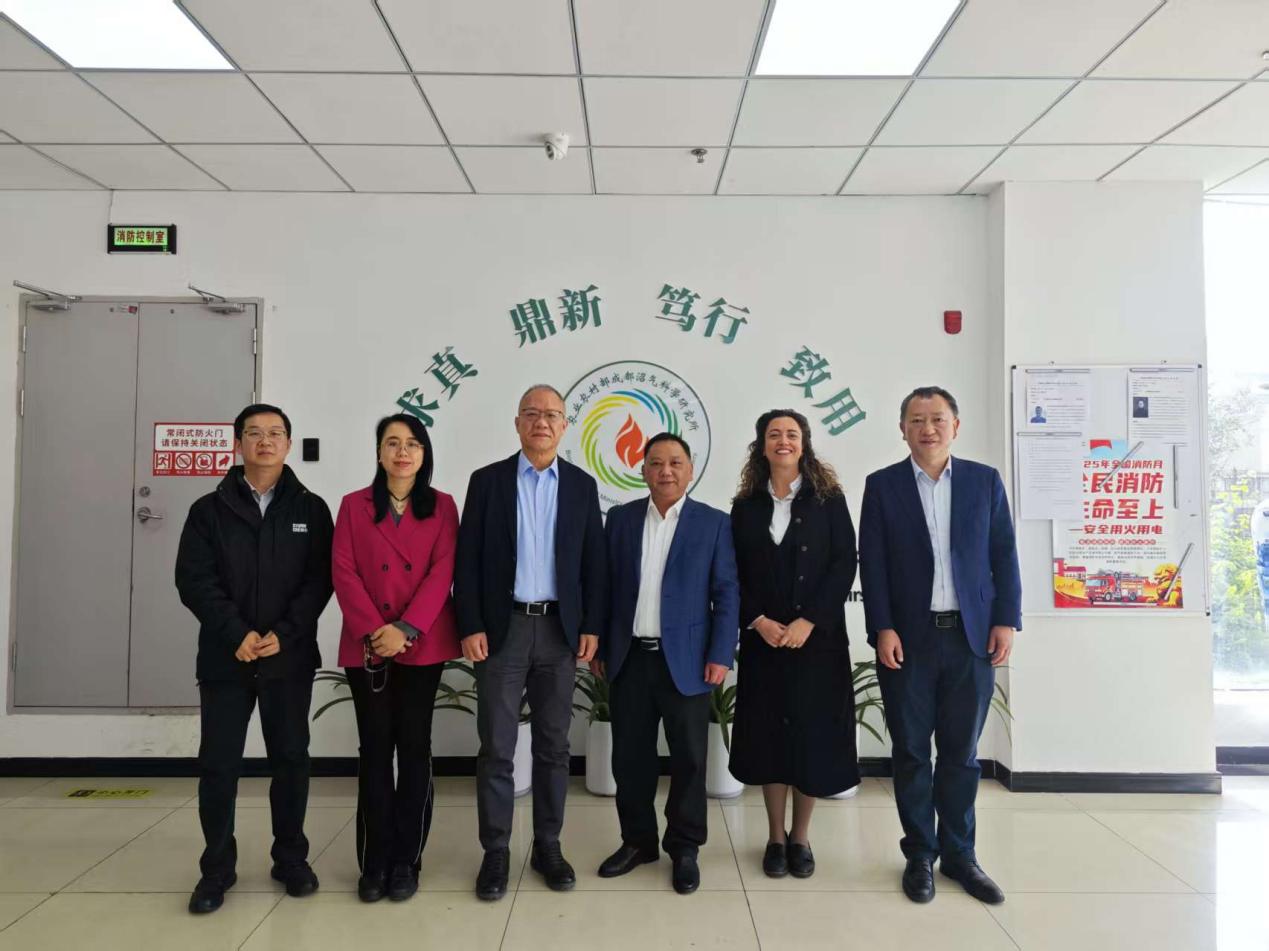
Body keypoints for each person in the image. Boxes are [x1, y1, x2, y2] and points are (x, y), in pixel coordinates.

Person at [859, 386, 1020, 906]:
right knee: (910, 752)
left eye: (937, 419)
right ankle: (919, 854)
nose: (927, 429)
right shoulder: (882, 486)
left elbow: (1004, 554)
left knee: (961, 753)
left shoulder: (983, 481)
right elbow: (873, 564)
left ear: (955, 425)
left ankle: (960, 855)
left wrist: (1006, 620)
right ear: (902, 429)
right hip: (908, 639)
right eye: (916, 420)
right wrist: (882, 627)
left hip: (971, 638)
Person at [175, 403, 334, 914]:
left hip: (288, 658)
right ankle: (216, 868)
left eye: (275, 433)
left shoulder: (312, 509)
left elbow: (320, 581)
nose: (265, 441)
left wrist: (284, 634)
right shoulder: (208, 510)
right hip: (227, 659)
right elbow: (194, 580)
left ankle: (290, 858)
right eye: (254, 433)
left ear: (288, 443)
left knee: (291, 759)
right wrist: (236, 633)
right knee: (219, 764)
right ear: (238, 443)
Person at [453, 384, 607, 901]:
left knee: (554, 746)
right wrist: (471, 624)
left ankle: (548, 845)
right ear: (517, 423)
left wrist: (591, 625)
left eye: (552, 415)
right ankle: (496, 850)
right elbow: (467, 560)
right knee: (497, 746)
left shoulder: (582, 486)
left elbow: (593, 563)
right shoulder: (487, 482)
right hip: (504, 630)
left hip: (560, 632)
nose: (542, 422)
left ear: (565, 426)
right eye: (532, 414)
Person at [596, 432, 739, 895]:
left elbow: (726, 593)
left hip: (689, 662)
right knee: (629, 758)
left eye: (675, 462)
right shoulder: (620, 519)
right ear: (643, 470)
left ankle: (685, 847)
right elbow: (605, 588)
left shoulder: (713, 523)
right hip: (629, 658)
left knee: (690, 759)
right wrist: (600, 648)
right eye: (656, 463)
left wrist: (720, 654)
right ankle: (637, 842)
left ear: (690, 469)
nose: (666, 471)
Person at [331, 414, 461, 903]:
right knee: (374, 749)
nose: (402, 452)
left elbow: (443, 572)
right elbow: (343, 571)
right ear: (379, 453)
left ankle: (407, 858)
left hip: (421, 642)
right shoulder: (353, 505)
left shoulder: (443, 506)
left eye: (412, 444)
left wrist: (406, 629)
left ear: (424, 454)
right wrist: (375, 630)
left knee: (413, 747)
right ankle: (374, 861)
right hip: (366, 644)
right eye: (392, 443)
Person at [728, 409, 859, 880]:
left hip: (817, 644)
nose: (783, 441)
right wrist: (757, 620)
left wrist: (810, 621)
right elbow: (732, 572)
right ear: (761, 445)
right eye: (774, 434)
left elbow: (844, 562)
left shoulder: (829, 499)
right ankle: (775, 837)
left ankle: (800, 838)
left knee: (811, 737)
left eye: (792, 434)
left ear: (804, 443)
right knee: (769, 739)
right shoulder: (745, 505)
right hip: (764, 642)